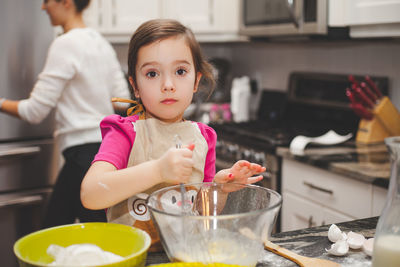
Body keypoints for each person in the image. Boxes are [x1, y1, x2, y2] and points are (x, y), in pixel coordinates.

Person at [80, 19, 265, 251]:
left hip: (184, 257)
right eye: (152, 74)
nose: (168, 85)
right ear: (135, 86)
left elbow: (202, 213)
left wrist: (219, 189)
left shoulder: (203, 137)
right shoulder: (125, 132)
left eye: (180, 71)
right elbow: (91, 194)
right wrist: (158, 170)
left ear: (196, 80)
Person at [0, 0, 131, 228]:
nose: (43, 7)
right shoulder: (101, 43)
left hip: (82, 156)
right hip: (104, 151)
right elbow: (120, 99)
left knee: (82, 233)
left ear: (67, 3)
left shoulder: (65, 44)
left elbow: (34, 111)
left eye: (47, 1)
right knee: (69, 227)